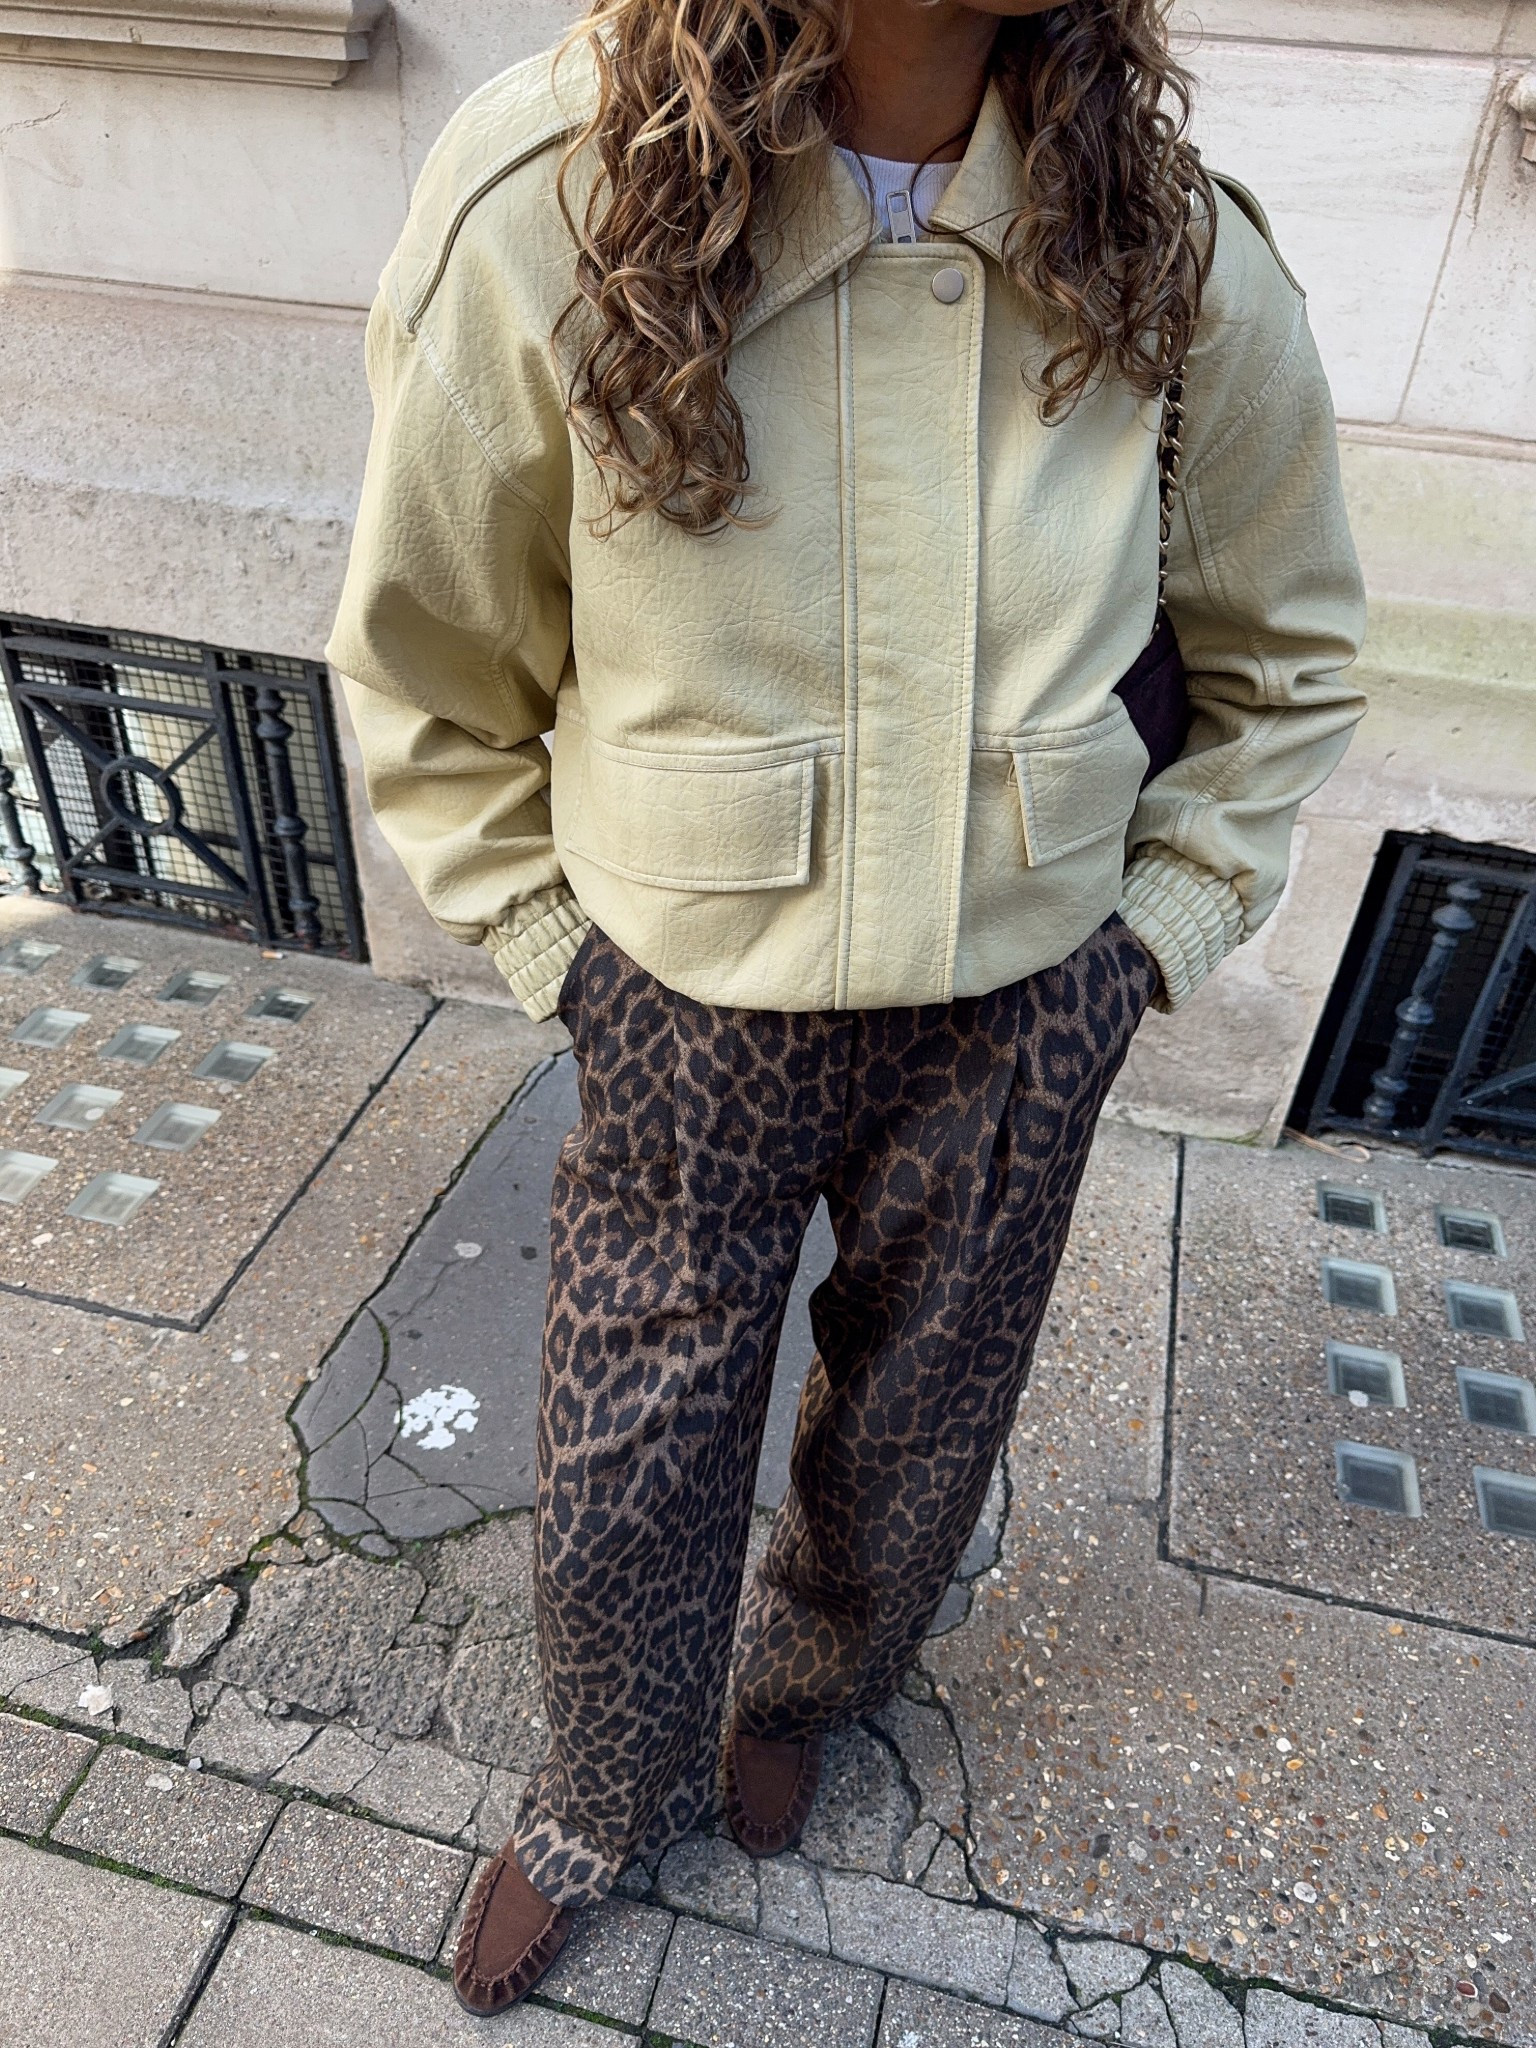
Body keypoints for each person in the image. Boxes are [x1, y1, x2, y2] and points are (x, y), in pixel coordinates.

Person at [328, 0, 1367, 2015]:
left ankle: (808, 1686)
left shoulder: (1164, 233)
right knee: (636, 1441)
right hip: (688, 1003)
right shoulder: (551, 192)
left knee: (922, 1418)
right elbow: (429, 658)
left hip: (1022, 997)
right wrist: (559, 949)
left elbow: (1289, 650)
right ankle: (602, 1790)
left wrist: (1148, 935)